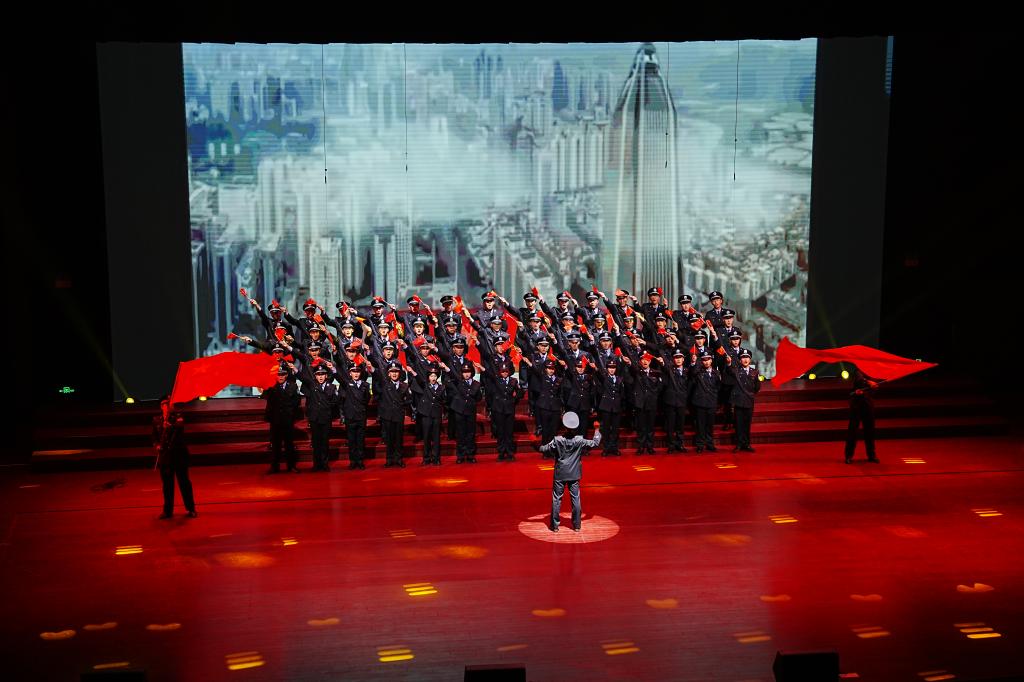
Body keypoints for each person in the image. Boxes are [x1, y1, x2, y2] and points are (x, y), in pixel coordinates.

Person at [541, 412, 602, 533]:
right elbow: (595, 443)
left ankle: (555, 526)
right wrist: (596, 430)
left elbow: (543, 449)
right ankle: (577, 525)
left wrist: (535, 443)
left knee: (556, 499)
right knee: (576, 499)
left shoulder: (557, 440)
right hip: (574, 474)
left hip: (560, 474)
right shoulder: (579, 440)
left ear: (564, 426)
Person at [152, 396, 197, 519]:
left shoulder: (178, 416)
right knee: (167, 486)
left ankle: (191, 509)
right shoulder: (156, 420)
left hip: (179, 456)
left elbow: (180, 426)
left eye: (169, 404)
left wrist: (170, 426)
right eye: (165, 404)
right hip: (166, 457)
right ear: (161, 406)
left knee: (184, 483)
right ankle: (167, 511)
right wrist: (157, 445)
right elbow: (154, 437)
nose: (168, 406)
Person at [261, 364, 302, 473]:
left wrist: (290, 413)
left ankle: (291, 466)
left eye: (283, 374)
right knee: (275, 445)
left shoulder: (293, 386)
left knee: (289, 444)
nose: (280, 377)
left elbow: (297, 401)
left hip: (288, 420)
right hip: (275, 420)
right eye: (278, 375)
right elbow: (265, 397)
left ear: (286, 375)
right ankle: (275, 466)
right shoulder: (270, 386)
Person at [299, 360, 339, 472]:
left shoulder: (332, 387)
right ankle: (316, 464)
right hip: (315, 418)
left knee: (325, 442)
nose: (320, 377)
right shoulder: (312, 385)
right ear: (315, 376)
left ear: (326, 376)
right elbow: (302, 378)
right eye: (318, 375)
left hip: (326, 417)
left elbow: (335, 401)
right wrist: (295, 370)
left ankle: (325, 464)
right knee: (316, 443)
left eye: (322, 374)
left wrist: (327, 408)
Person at [373, 361, 412, 468]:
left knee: (399, 439)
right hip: (388, 416)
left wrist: (402, 404)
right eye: (392, 372)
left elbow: (409, 399)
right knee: (389, 439)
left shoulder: (404, 386)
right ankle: (389, 459)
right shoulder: (384, 385)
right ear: (388, 374)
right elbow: (376, 375)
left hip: (398, 415)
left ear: (399, 373)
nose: (394, 374)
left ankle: (398, 459)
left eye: (396, 372)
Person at [445, 361, 483, 463]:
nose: (466, 374)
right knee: (460, 433)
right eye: (464, 372)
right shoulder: (458, 381)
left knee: (470, 433)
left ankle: (470, 454)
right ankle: (461, 455)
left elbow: (479, 398)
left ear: (472, 372)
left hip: (470, 410)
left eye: (468, 372)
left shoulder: (476, 384)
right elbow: (452, 374)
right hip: (459, 410)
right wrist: (446, 368)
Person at [725, 349, 761, 453]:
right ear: (740, 360)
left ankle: (747, 444)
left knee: (747, 424)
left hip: (749, 401)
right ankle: (739, 444)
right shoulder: (736, 370)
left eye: (747, 358)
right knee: (739, 424)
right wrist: (729, 363)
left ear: (750, 359)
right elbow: (729, 371)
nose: (745, 360)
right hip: (739, 402)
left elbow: (757, 387)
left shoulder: (755, 372)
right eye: (743, 358)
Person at [338, 364, 372, 469]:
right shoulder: (347, 384)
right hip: (350, 416)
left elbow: (367, 399)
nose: (356, 374)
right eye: (353, 372)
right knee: (351, 440)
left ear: (360, 373)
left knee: (360, 440)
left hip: (361, 416)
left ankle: (360, 461)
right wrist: (333, 369)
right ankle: (353, 461)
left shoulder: (365, 385)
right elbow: (339, 378)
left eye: (358, 372)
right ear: (350, 373)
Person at [845, 368, 881, 464]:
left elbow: (875, 389)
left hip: (868, 405)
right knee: (852, 431)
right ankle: (848, 456)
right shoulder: (858, 371)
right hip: (856, 406)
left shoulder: (874, 373)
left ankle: (871, 455)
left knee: (870, 431)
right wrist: (868, 382)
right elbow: (859, 380)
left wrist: (874, 387)